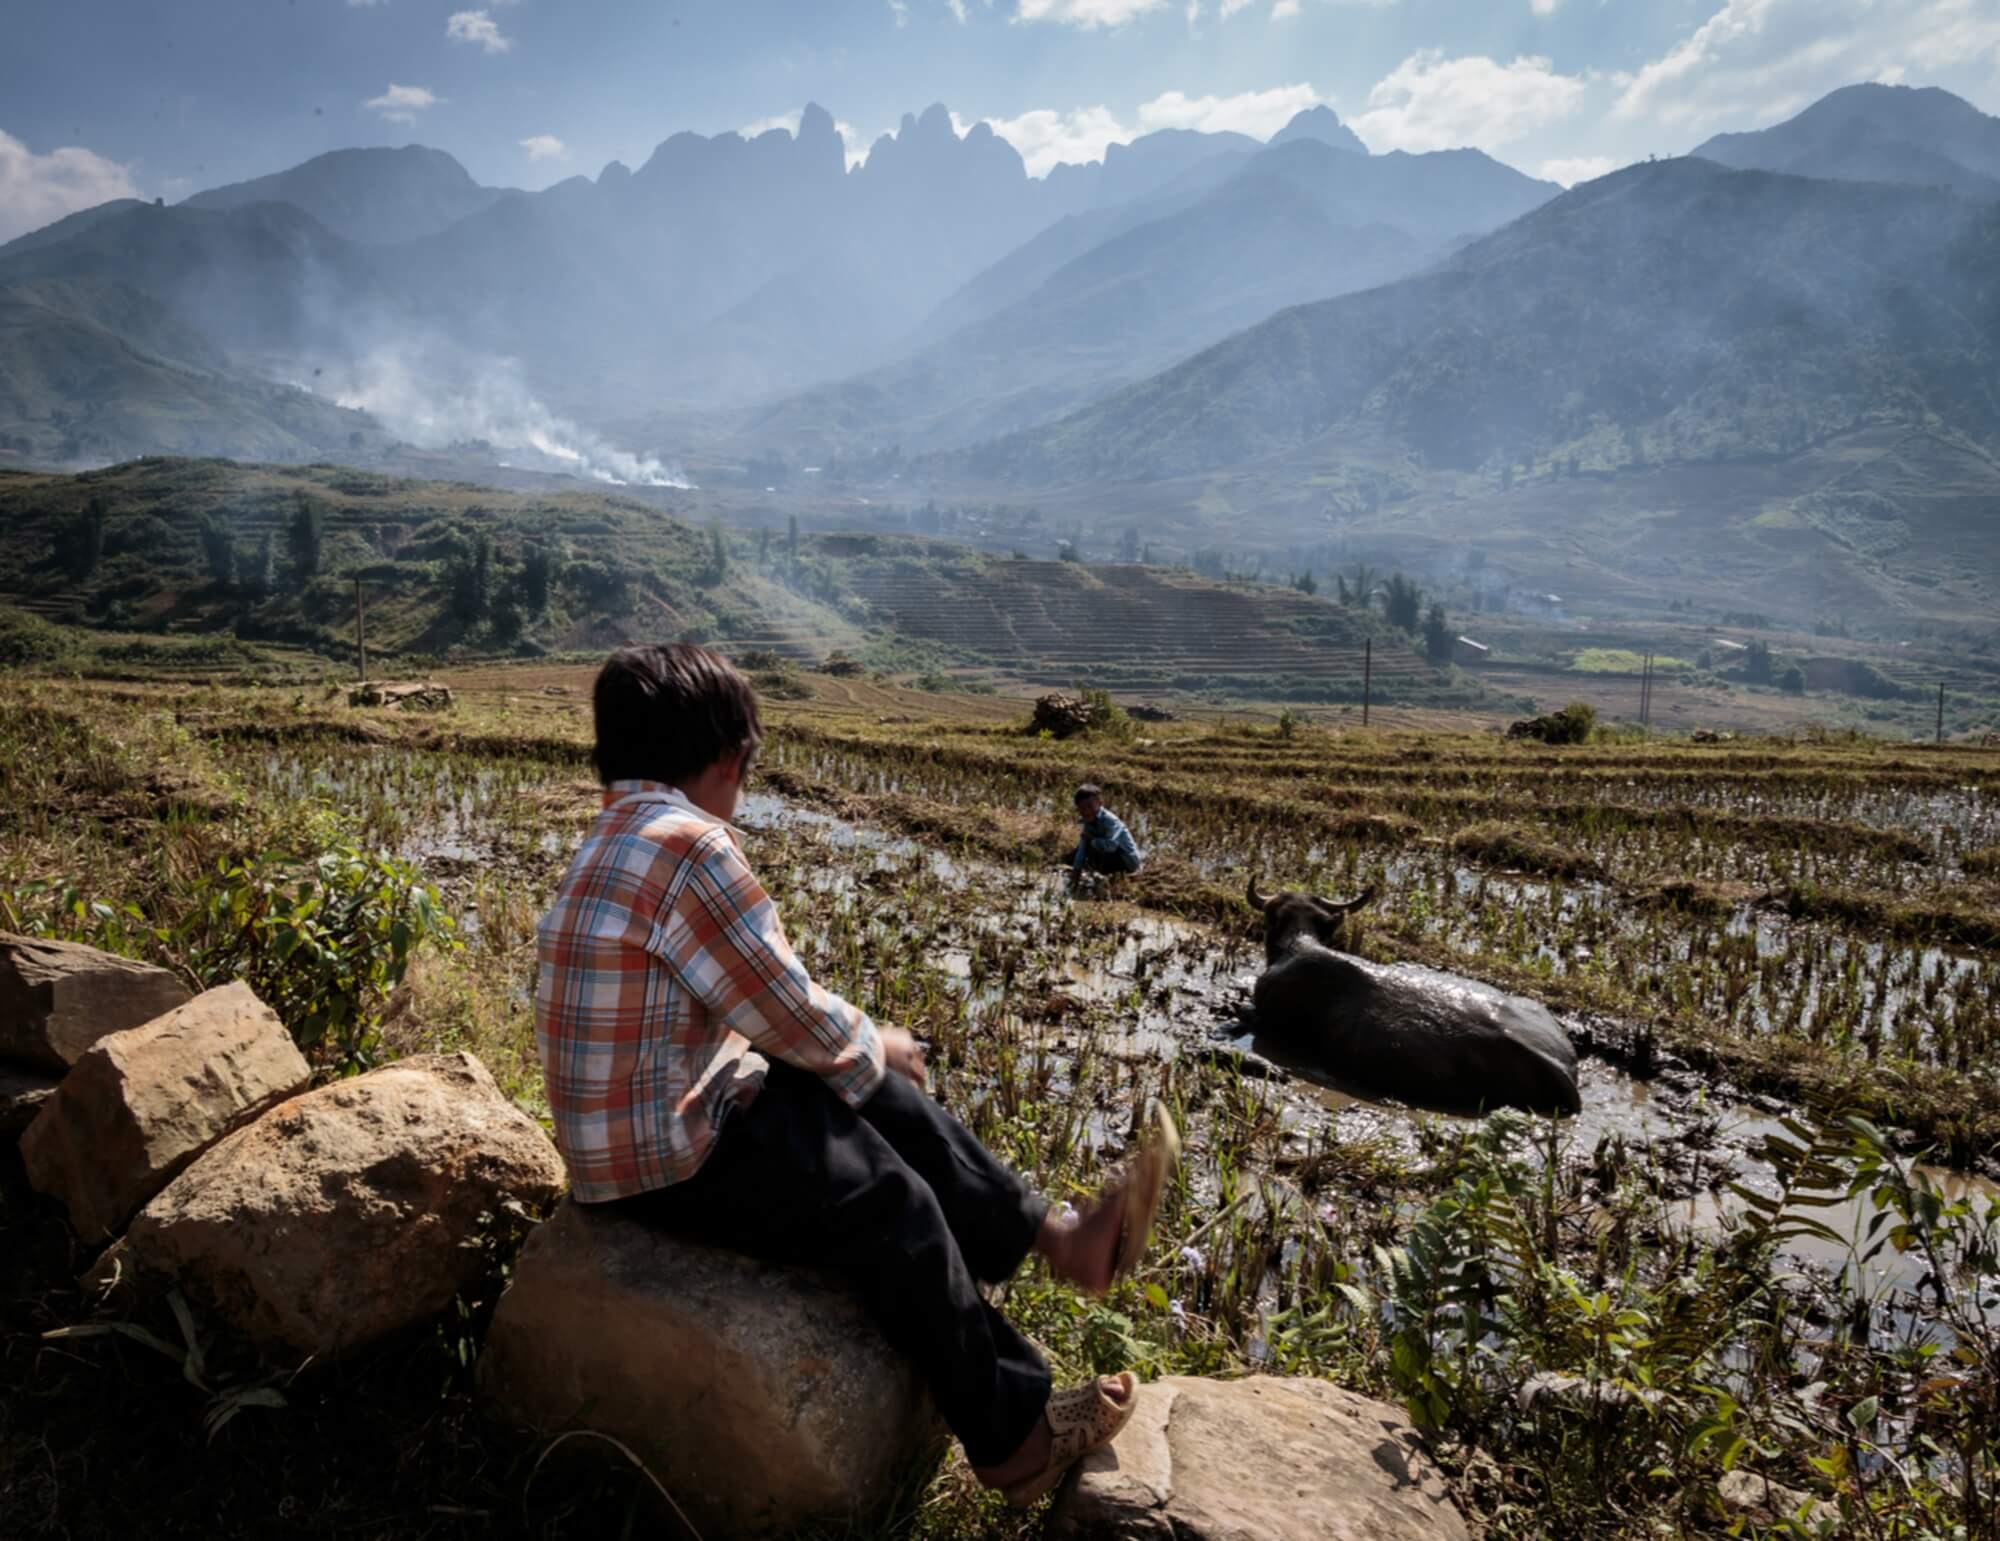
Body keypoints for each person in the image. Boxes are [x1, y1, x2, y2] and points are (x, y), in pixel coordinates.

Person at [534, 644, 1179, 1508]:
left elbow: (768, 1014)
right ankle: (1013, 1435)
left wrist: (862, 1053)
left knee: (857, 1087)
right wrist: (878, 1046)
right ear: (728, 760)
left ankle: (1054, 1237)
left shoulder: (610, 837)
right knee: (892, 1203)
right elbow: (787, 1011)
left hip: (631, 1138)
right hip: (664, 1159)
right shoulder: (691, 847)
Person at [1068, 783, 1143, 882]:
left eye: (1089, 806)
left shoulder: (1110, 821)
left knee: (1091, 846)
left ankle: (1119, 878)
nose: (1086, 811)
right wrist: (1076, 871)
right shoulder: (1088, 821)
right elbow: (1083, 848)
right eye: (1082, 808)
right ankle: (1106, 877)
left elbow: (1111, 846)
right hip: (1110, 855)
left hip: (1127, 861)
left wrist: (1092, 841)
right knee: (1079, 850)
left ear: (1100, 803)